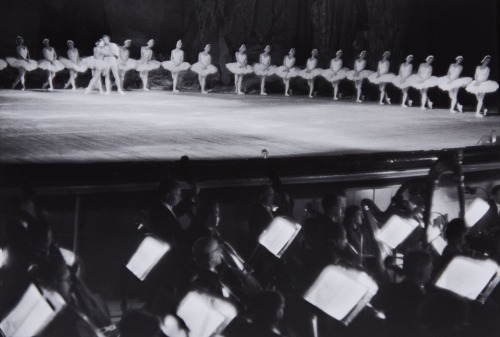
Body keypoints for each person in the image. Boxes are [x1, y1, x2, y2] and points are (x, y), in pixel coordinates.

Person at [371, 249, 434, 337]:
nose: (431, 271)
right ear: (421, 273)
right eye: (430, 269)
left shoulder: (389, 288)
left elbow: (375, 303)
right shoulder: (423, 299)